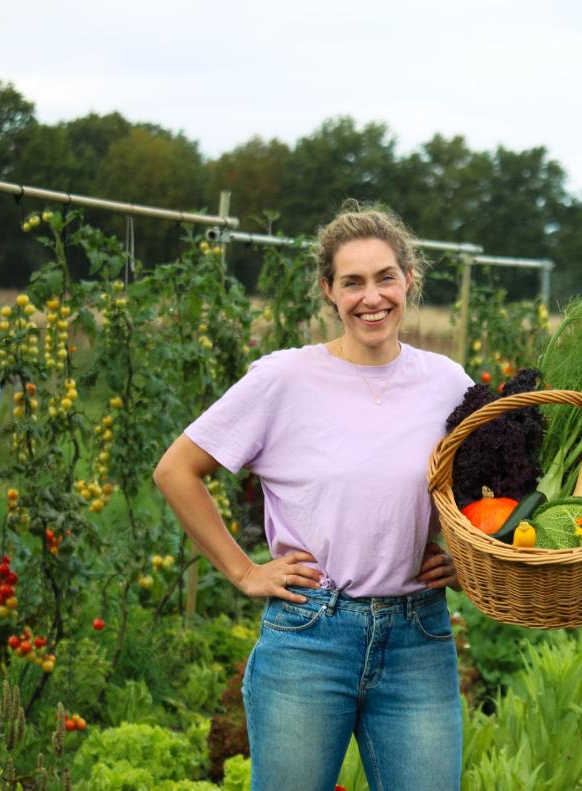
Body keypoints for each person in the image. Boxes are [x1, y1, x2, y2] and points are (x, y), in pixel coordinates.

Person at [153, 201, 472, 791]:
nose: (371, 297)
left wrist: (470, 562)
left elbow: (490, 490)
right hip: (310, 636)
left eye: (385, 278)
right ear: (329, 290)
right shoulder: (284, 379)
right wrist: (244, 572)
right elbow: (176, 470)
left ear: (409, 280)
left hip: (418, 639)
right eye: (352, 282)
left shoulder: (449, 384)